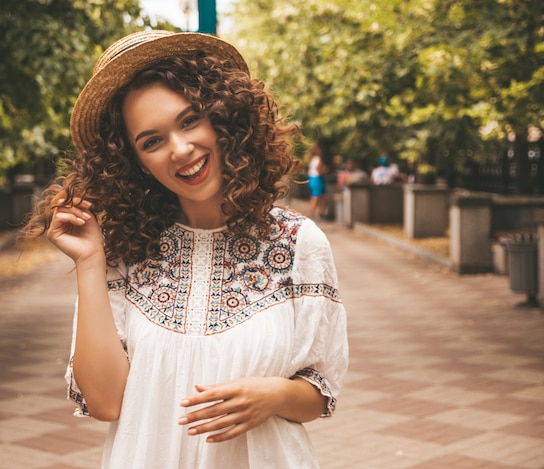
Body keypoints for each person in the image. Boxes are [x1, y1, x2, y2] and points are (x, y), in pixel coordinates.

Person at [25, 30, 348, 469]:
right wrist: (89, 262)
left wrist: (274, 395)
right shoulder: (121, 252)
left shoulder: (298, 244)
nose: (180, 150)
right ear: (135, 162)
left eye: (190, 120)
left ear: (224, 118)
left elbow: (319, 393)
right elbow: (104, 403)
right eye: (152, 141)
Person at [304, 143, 329, 219]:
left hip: (311, 178)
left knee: (318, 196)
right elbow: (319, 170)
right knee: (316, 197)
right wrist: (325, 169)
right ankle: (315, 214)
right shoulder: (318, 159)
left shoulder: (311, 160)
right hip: (317, 179)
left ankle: (314, 213)